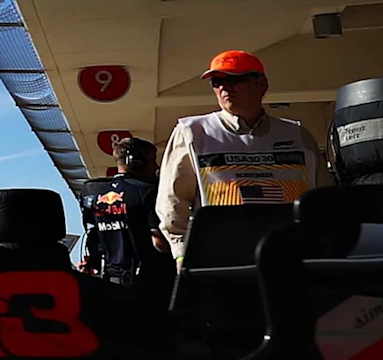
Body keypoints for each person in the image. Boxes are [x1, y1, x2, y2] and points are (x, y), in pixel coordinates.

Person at [154, 51, 325, 259]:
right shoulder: (193, 132)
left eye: (235, 79)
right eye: (217, 81)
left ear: (262, 84)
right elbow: (172, 201)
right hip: (222, 258)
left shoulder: (298, 135)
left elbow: (323, 198)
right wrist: (182, 254)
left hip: (290, 256)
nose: (224, 87)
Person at [81, 136, 171, 294]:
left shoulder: (97, 198)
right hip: (150, 287)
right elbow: (160, 243)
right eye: (152, 161)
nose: (156, 167)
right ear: (136, 162)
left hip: (112, 285)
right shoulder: (148, 192)